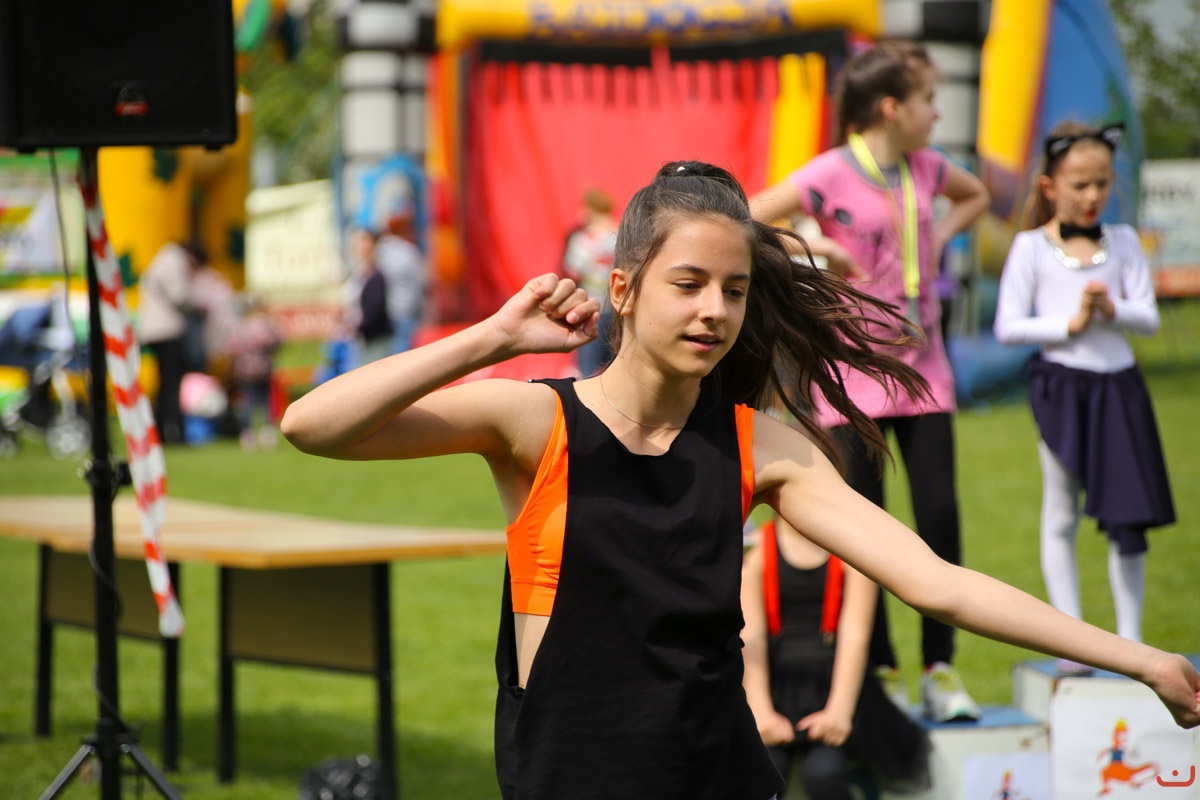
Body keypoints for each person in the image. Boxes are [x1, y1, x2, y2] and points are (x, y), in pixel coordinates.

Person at [281, 161, 1200, 800]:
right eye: (688, 283)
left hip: (720, 777)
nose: (715, 310)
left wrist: (1145, 663)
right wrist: (492, 339)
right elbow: (311, 426)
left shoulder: (762, 446)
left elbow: (938, 584)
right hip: (567, 779)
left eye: (734, 289)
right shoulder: (536, 422)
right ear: (623, 289)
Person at [748, 39, 991, 722]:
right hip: (849, 380)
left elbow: (975, 196)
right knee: (868, 529)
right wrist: (816, 246)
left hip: (925, 373)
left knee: (939, 516)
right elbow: (748, 216)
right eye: (927, 100)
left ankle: (939, 668)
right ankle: (880, 671)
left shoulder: (929, 168)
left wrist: (938, 238)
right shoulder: (829, 172)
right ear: (891, 107)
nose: (936, 113)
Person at [993, 121, 1175, 671]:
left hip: (1120, 389)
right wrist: (1067, 325)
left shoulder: (1123, 242)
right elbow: (1008, 326)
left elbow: (1148, 317)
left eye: (1102, 183)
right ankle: (1071, 641)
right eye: (1079, 185)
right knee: (1061, 510)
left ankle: (1131, 638)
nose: (1092, 195)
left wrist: (1113, 310)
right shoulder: (1030, 247)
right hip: (1062, 389)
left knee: (1128, 517)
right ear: (1050, 186)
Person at [741, 515, 931, 798]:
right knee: (766, 771)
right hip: (775, 691)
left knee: (823, 774)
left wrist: (839, 712)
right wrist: (760, 711)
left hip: (837, 689)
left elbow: (855, 635)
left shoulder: (853, 552)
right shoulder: (756, 548)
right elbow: (750, 635)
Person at [137, 240, 205, 444]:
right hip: (166, 331)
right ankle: (174, 432)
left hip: (153, 330)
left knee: (164, 384)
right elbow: (180, 296)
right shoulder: (175, 260)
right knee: (171, 385)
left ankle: (159, 430)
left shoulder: (163, 258)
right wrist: (199, 309)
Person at [561, 186, 619, 376]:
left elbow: (573, 269)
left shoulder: (584, 239)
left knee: (587, 367)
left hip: (590, 307)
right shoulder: (621, 235)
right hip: (617, 309)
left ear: (591, 209)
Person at [225, 293, 283, 452]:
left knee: (246, 402)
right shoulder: (266, 324)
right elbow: (277, 341)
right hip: (263, 369)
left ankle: (247, 432)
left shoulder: (239, 325)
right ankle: (267, 431)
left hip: (244, 370)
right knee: (265, 401)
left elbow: (232, 348)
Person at [375, 210, 428, 356]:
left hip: (385, 312)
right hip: (405, 310)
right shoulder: (408, 252)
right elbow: (420, 282)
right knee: (403, 354)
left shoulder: (379, 252)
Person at [347, 228, 393, 365]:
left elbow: (375, 308)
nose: (359, 245)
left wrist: (357, 327)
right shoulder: (358, 272)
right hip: (361, 338)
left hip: (375, 337)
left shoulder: (377, 273)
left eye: (363, 240)